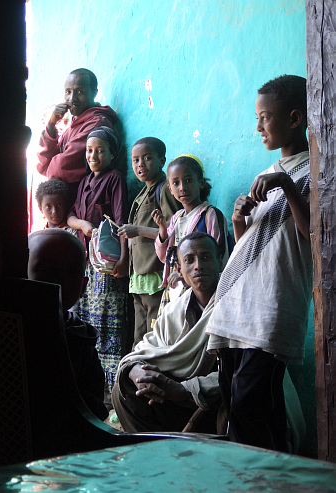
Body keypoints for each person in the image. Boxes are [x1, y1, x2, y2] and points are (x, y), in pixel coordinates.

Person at [206, 75, 311, 452]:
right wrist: (239, 218)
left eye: (265, 117)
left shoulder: (317, 171)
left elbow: (314, 235)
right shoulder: (266, 173)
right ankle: (276, 479)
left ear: (295, 118)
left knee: (249, 408)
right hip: (237, 305)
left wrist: (288, 185)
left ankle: (253, 484)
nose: (258, 127)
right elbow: (249, 242)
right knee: (245, 407)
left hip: (271, 309)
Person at [112, 233, 226, 434]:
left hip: (216, 403)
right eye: (189, 260)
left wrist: (186, 390)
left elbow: (243, 373)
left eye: (206, 258)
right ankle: (156, 452)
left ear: (220, 261)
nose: (198, 266)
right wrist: (136, 371)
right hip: (177, 403)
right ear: (179, 269)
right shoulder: (175, 311)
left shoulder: (234, 304)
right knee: (123, 390)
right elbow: (147, 348)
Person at [67, 126, 128, 399]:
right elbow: (71, 216)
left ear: (112, 154)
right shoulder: (84, 182)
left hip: (107, 263)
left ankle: (111, 394)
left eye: (100, 150)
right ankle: (90, 389)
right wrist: (83, 224)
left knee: (108, 323)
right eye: (89, 150)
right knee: (89, 320)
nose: (93, 155)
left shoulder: (114, 179)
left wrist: (123, 259)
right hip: (86, 262)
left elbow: (121, 220)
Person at [27, 229, 108, 421]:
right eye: (46, 271)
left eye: (72, 273)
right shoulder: (15, 334)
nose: (59, 281)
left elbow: (93, 407)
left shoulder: (81, 338)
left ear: (83, 286)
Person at [117, 137, 181, 346]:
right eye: (135, 160)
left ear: (162, 160)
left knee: (154, 335)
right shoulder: (142, 193)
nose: (140, 165)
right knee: (139, 338)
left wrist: (138, 230)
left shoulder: (164, 190)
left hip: (156, 275)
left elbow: (174, 230)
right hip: (139, 277)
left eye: (147, 158)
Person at [152, 154, 230, 313]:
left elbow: (220, 256)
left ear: (201, 182)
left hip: (202, 289)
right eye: (176, 183)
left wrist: (183, 275)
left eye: (188, 180)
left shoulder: (210, 214)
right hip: (176, 288)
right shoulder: (176, 218)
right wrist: (162, 229)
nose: (182, 187)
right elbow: (165, 257)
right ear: (170, 188)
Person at [36, 68, 117, 203]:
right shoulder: (75, 123)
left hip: (85, 203)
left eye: (80, 92)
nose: (72, 99)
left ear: (94, 92)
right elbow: (42, 165)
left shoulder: (96, 123)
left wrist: (52, 162)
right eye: (68, 92)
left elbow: (61, 168)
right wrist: (51, 124)